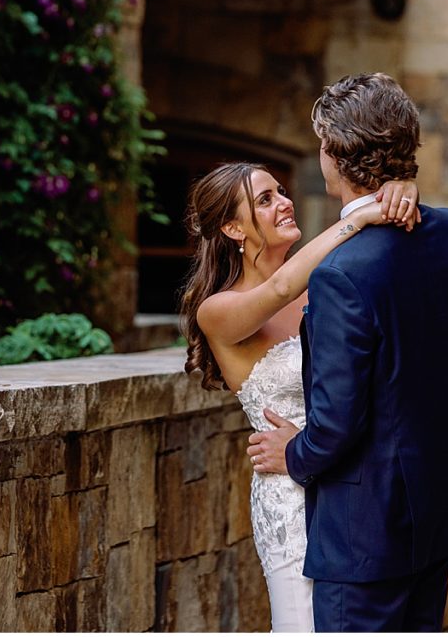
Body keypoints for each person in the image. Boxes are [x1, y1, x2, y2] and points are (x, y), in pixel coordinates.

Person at [247, 72, 448, 632]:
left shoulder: (340, 275)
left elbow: (335, 424)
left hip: (363, 533)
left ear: (334, 153)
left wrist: (294, 455)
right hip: (436, 507)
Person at [179, 157, 421, 631]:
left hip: (353, 479)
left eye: (280, 191)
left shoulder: (325, 281)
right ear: (232, 228)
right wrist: (359, 214)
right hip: (289, 497)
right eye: (265, 200)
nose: (285, 203)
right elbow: (282, 286)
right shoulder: (219, 311)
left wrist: (399, 188)